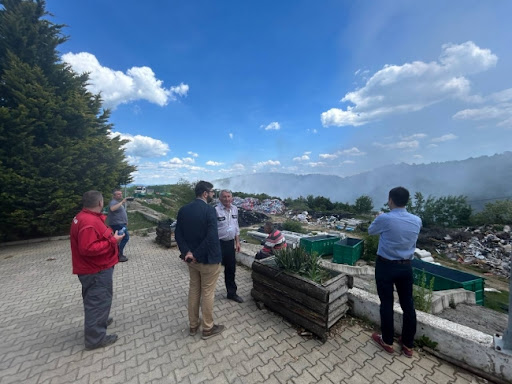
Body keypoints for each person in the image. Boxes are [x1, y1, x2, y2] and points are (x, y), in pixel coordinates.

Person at [368, 186, 422, 358]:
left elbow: (371, 231)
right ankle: (407, 344)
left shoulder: (385, 218)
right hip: (406, 266)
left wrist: (378, 218)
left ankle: (387, 340)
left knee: (386, 303)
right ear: (406, 201)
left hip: (385, 266)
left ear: (390, 200)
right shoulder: (417, 220)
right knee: (408, 304)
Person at [70, 190, 125, 350]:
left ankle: (100, 320)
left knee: (96, 299)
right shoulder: (88, 222)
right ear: (100, 203)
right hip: (95, 270)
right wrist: (112, 241)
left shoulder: (83, 217)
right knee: (97, 300)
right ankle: (95, 339)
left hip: (93, 268)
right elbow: (87, 248)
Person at [175, 181, 225, 340]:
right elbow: (211, 236)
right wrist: (196, 253)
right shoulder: (210, 210)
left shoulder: (183, 210)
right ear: (205, 193)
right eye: (211, 192)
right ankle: (208, 328)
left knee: (194, 290)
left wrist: (187, 253)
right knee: (208, 293)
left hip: (191, 261)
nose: (212, 195)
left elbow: (178, 234)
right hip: (208, 260)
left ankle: (193, 325)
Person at [215, 189, 243, 303]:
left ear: (232, 198)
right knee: (213, 270)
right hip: (218, 244)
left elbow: (236, 226)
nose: (227, 199)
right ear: (220, 198)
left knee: (231, 269)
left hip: (230, 244)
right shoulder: (215, 210)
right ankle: (207, 294)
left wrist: (237, 242)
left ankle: (231, 293)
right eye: (224, 197)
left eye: (228, 197)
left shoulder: (235, 209)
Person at [107, 189, 129, 262]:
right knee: (125, 238)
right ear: (114, 195)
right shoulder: (113, 202)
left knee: (119, 239)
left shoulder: (117, 202)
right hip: (117, 224)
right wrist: (122, 202)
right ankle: (119, 255)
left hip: (121, 223)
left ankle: (116, 254)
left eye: (121, 194)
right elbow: (112, 209)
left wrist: (125, 221)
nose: (121, 195)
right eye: (118, 194)